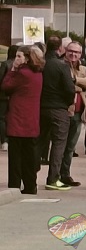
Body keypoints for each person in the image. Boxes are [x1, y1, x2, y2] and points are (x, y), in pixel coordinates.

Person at [1, 46, 44, 194]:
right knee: (29, 156)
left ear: (27, 58)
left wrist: (12, 69)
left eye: (19, 56)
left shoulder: (22, 74)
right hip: (31, 120)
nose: (16, 59)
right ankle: (30, 185)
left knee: (16, 156)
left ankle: (14, 185)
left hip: (18, 119)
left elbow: (6, 86)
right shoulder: (37, 73)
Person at [40, 37, 76, 191]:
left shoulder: (40, 64)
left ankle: (29, 174)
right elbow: (70, 89)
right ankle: (53, 178)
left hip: (41, 107)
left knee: (38, 142)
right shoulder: (61, 66)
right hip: (59, 108)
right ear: (60, 48)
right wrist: (68, 103)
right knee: (58, 144)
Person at [60, 42, 86, 187]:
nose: (73, 55)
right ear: (65, 51)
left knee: (71, 146)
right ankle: (56, 174)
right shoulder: (60, 66)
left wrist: (76, 80)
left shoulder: (83, 68)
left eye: (77, 52)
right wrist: (78, 86)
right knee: (60, 145)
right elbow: (65, 85)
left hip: (80, 113)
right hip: (65, 111)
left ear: (81, 54)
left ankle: (65, 174)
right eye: (71, 51)